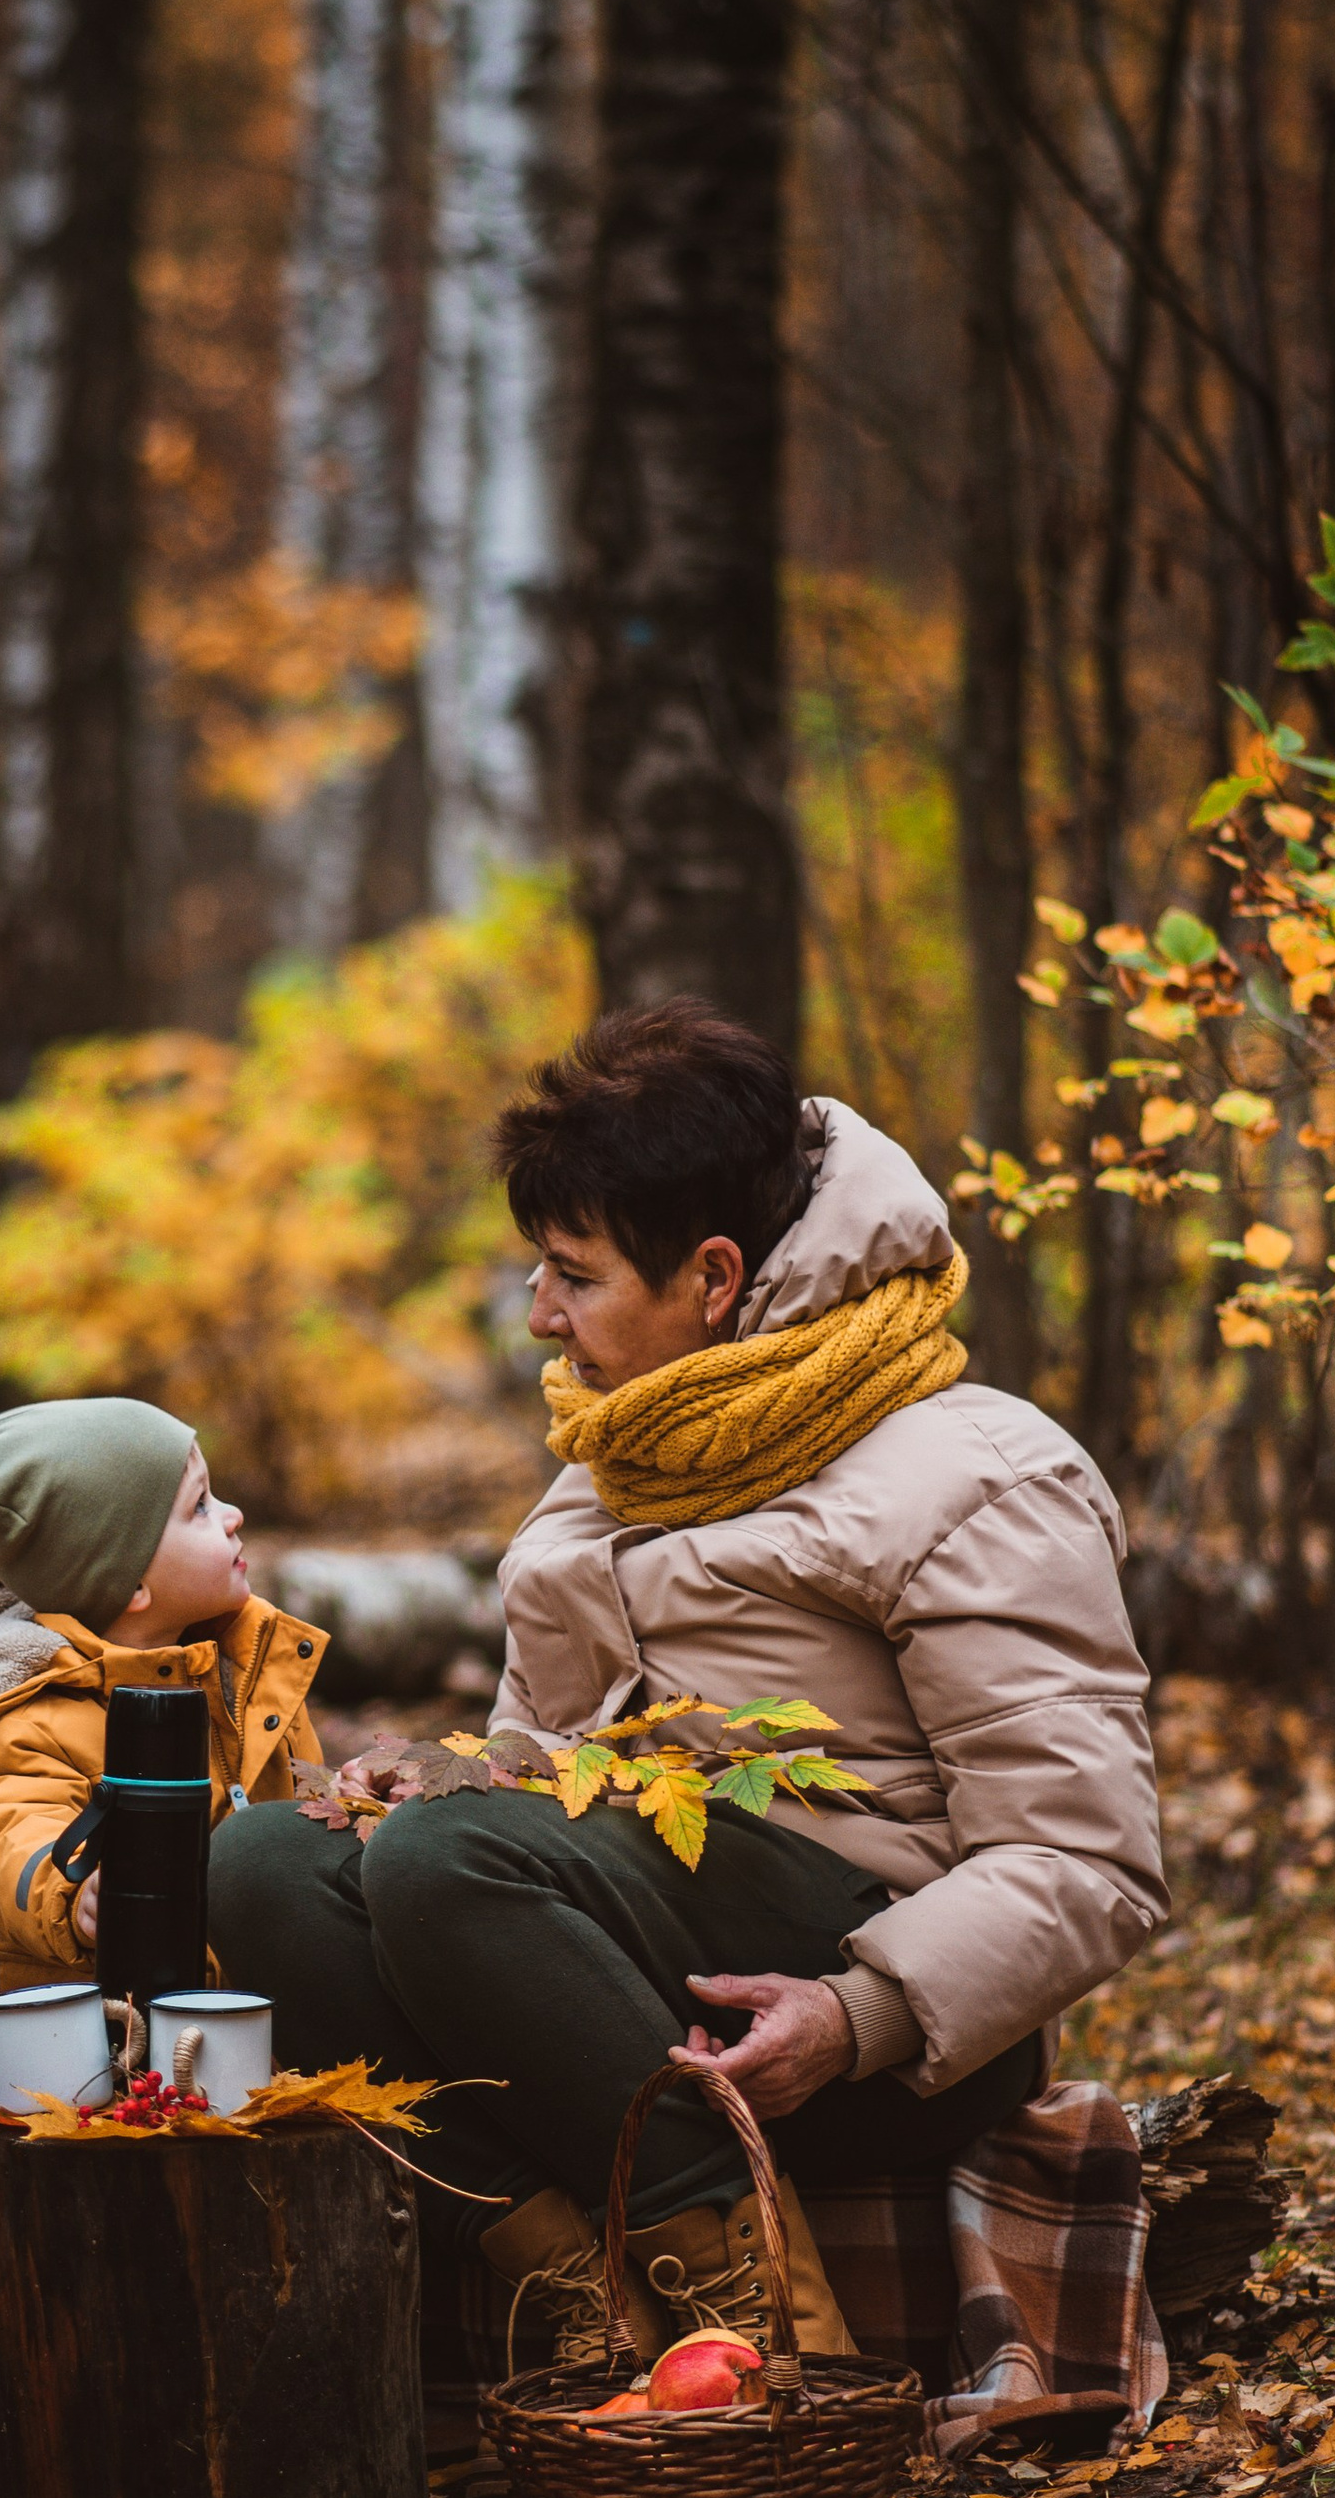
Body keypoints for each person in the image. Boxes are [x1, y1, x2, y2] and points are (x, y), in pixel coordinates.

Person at [209, 999, 1168, 2368]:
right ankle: (570, 2288)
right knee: (258, 1863)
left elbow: (1087, 1857)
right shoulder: (624, 1453)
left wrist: (857, 2014)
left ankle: (762, 2314)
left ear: (714, 1276)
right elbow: (549, 1773)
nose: (540, 1314)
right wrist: (455, 1773)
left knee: (445, 1856)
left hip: (874, 2027)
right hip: (609, 1987)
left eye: (575, 1274)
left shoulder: (978, 1477)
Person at [0, 1395, 327, 2093]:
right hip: (78, 2059)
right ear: (130, 1583)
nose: (232, 1515)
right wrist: (72, 1891)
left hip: (219, 2038)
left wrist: (348, 1810)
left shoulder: (244, 1677)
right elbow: (2, 1832)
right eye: (199, 1507)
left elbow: (299, 1808)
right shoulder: (24, 1715)